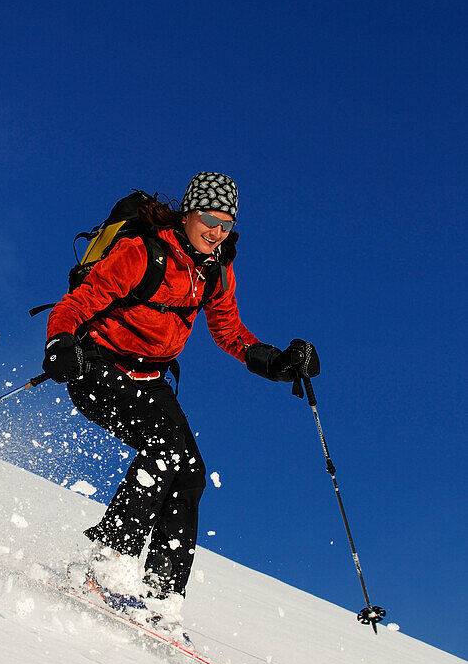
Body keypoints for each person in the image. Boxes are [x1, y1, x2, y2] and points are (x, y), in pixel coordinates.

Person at [42, 172, 318, 637]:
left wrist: (279, 363)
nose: (217, 231)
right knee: (166, 450)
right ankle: (106, 562)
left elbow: (229, 332)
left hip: (150, 379)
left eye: (226, 223)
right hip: (98, 367)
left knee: (189, 474)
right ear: (188, 214)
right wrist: (59, 344)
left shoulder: (216, 270)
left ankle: (161, 597)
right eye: (210, 219)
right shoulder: (142, 253)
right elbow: (76, 304)